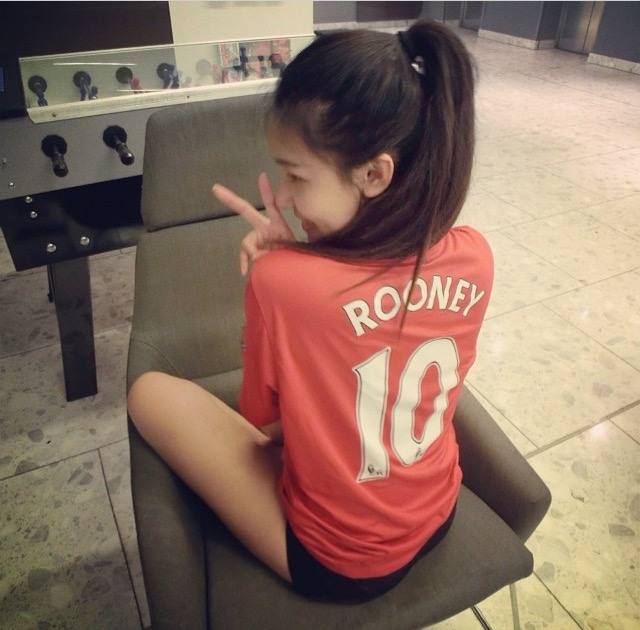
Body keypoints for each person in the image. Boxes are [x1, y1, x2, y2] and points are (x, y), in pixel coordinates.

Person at [127, 19, 493, 605]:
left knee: (149, 392)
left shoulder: (283, 282)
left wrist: (283, 264)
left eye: (296, 176)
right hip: (438, 511)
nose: (285, 196)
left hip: (343, 564)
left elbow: (264, 421)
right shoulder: (476, 255)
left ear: (373, 173)